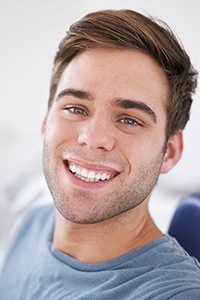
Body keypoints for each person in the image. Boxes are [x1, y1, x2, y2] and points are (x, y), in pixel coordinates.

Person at [0, 9, 200, 299]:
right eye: (75, 109)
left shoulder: (174, 294)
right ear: (46, 124)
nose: (92, 138)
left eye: (129, 120)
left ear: (169, 152)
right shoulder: (34, 223)